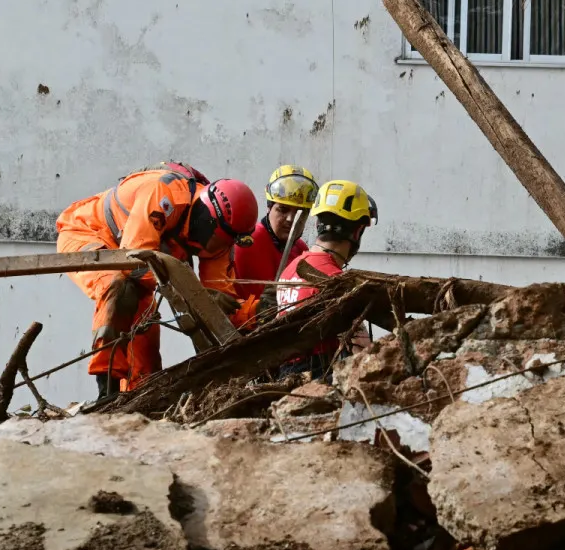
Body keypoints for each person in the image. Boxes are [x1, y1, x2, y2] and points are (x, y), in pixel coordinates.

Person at [54, 162, 258, 397]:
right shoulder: (164, 193)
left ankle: (136, 401)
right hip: (88, 232)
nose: (216, 250)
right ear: (206, 219)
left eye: (224, 244)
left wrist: (257, 310)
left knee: (145, 354)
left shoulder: (221, 242)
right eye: (217, 241)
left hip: (138, 261)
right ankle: (106, 390)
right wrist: (192, 293)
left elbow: (219, 311)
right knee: (118, 287)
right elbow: (132, 262)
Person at [275, 179, 377, 379]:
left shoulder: (289, 270)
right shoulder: (336, 283)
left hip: (286, 378)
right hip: (319, 381)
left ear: (318, 223)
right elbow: (363, 353)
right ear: (358, 231)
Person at [230, 165, 318, 330]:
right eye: (283, 209)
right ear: (269, 206)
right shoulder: (245, 244)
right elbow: (224, 308)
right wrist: (257, 310)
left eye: (301, 212)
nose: (291, 219)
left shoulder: (300, 248)